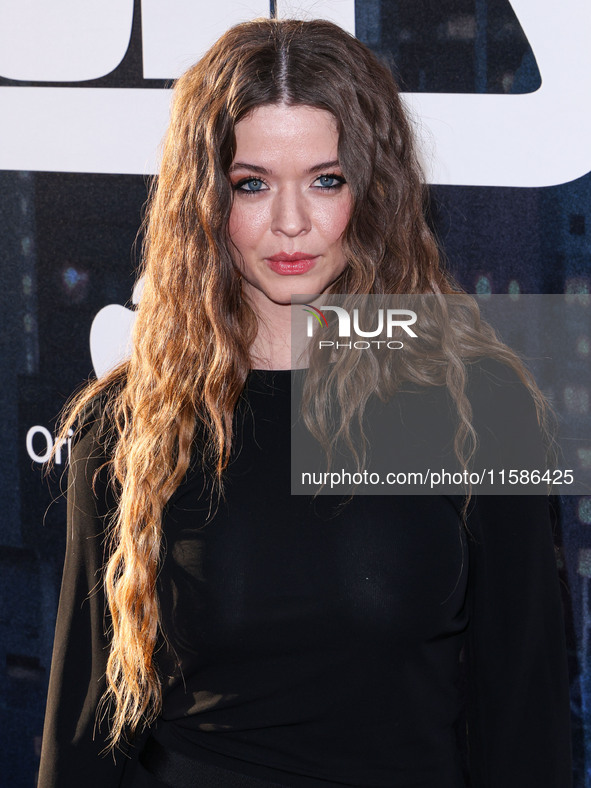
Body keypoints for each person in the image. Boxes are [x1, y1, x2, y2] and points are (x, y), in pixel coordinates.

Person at [38, 17, 572, 788]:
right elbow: (83, 736)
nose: (291, 223)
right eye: (251, 184)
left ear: (373, 188)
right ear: (204, 197)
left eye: (326, 179)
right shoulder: (129, 424)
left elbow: (523, 721)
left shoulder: (472, 405)